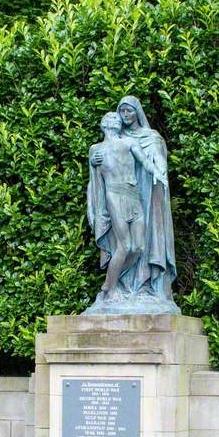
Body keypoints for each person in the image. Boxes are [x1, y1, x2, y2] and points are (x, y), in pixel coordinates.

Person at [87, 112, 163, 301]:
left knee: (138, 247)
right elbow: (94, 180)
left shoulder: (129, 143)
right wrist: (92, 163)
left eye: (116, 118)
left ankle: (110, 280)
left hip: (133, 195)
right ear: (103, 124)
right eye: (110, 118)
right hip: (114, 195)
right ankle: (111, 289)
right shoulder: (95, 149)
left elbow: (145, 162)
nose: (114, 120)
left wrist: (158, 173)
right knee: (125, 245)